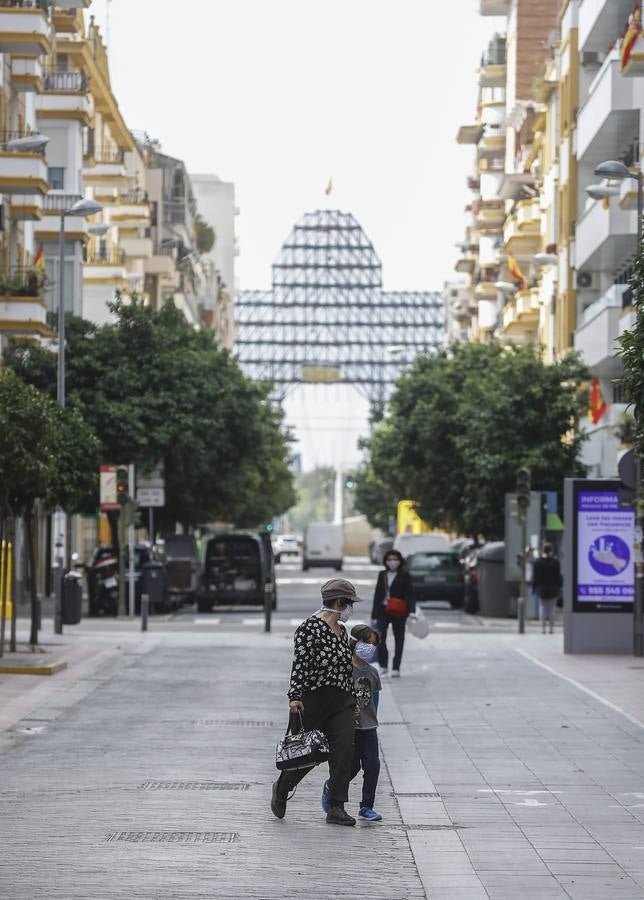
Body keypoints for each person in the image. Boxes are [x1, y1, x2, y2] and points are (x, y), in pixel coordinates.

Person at [271, 577, 361, 826]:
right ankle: (282, 786)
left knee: (343, 751)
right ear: (341, 602)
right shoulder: (309, 628)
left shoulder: (342, 632)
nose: (351, 609)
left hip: (341, 700)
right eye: (350, 603)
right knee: (309, 753)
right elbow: (300, 664)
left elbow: (346, 670)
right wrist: (295, 697)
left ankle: (336, 806)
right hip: (314, 698)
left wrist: (353, 702)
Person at [348, 624, 383, 821]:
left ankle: (366, 806)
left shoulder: (373, 673)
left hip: (369, 728)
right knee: (351, 767)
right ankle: (333, 790)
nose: (370, 647)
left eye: (373, 644)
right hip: (351, 728)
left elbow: (375, 700)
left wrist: (372, 719)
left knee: (372, 766)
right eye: (366, 643)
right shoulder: (345, 669)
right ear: (356, 643)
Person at [371, 549, 415, 676]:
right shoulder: (382, 574)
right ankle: (383, 665)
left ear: (400, 561)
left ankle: (396, 667)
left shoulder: (405, 575)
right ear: (385, 561)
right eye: (389, 560)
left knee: (399, 639)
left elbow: (410, 594)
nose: (392, 562)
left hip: (399, 611)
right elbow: (378, 595)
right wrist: (374, 615)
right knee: (380, 637)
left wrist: (411, 611)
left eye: (395, 559)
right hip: (383, 610)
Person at [531, 543, 562, 634]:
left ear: (542, 550)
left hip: (542, 589)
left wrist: (534, 588)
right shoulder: (555, 562)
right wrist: (559, 587)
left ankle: (543, 629)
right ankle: (551, 629)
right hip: (553, 589)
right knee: (552, 609)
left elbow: (535, 577)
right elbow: (558, 577)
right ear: (551, 550)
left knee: (543, 608)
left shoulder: (538, 562)